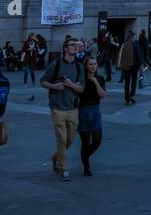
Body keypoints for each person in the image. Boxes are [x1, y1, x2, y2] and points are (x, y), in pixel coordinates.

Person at [41, 38, 85, 182]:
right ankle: (63, 168)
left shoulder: (79, 67)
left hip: (73, 108)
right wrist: (55, 86)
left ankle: (56, 157)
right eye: (73, 45)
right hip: (57, 108)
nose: (76, 48)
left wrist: (71, 85)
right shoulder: (56, 64)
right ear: (66, 48)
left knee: (69, 139)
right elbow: (43, 81)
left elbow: (81, 88)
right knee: (62, 139)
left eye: (77, 46)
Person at [78, 56, 106, 175]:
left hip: (95, 110)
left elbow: (102, 95)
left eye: (95, 64)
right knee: (85, 141)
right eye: (90, 64)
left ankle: (85, 157)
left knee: (97, 141)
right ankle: (86, 167)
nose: (93, 66)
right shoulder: (81, 79)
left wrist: (95, 82)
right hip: (83, 110)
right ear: (86, 66)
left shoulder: (100, 78)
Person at [117, 30, 142, 105]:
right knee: (134, 81)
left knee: (127, 82)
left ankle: (127, 98)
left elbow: (121, 55)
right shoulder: (135, 44)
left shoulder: (125, 44)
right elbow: (138, 55)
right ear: (133, 37)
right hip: (134, 66)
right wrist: (140, 64)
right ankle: (132, 95)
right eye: (135, 37)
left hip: (126, 66)